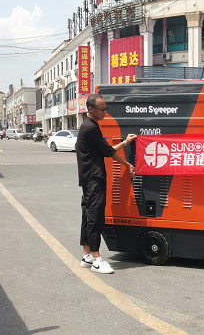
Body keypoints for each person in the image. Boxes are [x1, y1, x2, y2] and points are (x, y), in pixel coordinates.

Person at [76, 94, 137, 274]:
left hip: (89, 178)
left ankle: (87, 255)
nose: (105, 112)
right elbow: (109, 153)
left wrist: (125, 142)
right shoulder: (90, 128)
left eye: (106, 109)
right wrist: (127, 164)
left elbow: (106, 150)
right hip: (94, 179)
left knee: (88, 215)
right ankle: (96, 259)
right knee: (95, 217)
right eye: (102, 109)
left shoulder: (90, 126)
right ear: (91, 109)